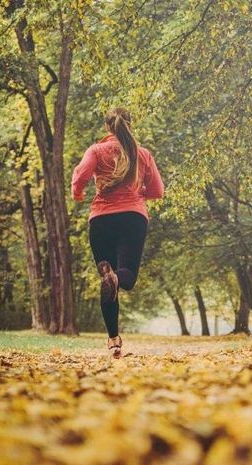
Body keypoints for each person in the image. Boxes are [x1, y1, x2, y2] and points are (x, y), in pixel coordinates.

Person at [71, 108, 164, 358]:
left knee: (107, 279)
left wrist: (77, 192)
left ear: (107, 127)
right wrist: (137, 193)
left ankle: (113, 341)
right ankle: (115, 286)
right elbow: (157, 191)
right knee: (126, 278)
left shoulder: (96, 150)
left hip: (101, 221)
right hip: (132, 219)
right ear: (130, 126)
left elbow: (80, 176)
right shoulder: (142, 154)